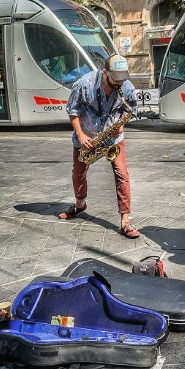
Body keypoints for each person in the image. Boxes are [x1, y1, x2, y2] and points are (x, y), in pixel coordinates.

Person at [59, 54, 141, 239]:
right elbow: (72, 110)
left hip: (113, 139)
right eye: (116, 79)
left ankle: (125, 221)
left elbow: (131, 109)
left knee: (122, 174)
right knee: (78, 173)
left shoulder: (126, 86)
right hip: (86, 138)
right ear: (105, 72)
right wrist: (81, 135)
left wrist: (120, 125)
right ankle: (80, 204)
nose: (120, 83)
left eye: (123, 78)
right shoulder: (83, 84)